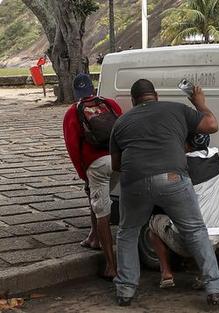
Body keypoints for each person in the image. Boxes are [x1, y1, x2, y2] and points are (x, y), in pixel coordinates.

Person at [110, 79, 219, 307]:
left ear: (133, 100)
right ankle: (216, 288)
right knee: (196, 230)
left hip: (134, 182)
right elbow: (211, 124)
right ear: (155, 95)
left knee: (127, 232)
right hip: (173, 178)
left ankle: (125, 291)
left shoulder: (121, 122)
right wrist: (200, 103)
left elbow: (116, 165)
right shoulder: (176, 109)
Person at [63, 73, 122, 280]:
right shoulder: (110, 103)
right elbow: (121, 130)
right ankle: (93, 236)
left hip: (96, 165)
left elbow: (72, 147)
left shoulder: (73, 112)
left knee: (102, 213)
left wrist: (83, 174)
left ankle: (111, 266)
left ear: (76, 92)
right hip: (117, 162)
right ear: (93, 88)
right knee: (99, 202)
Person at [148, 133, 219, 289]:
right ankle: (204, 275)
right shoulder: (215, 159)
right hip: (215, 238)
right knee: (204, 224)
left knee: (153, 224)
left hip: (186, 241)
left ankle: (166, 274)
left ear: (187, 144)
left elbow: (162, 190)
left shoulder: (180, 167)